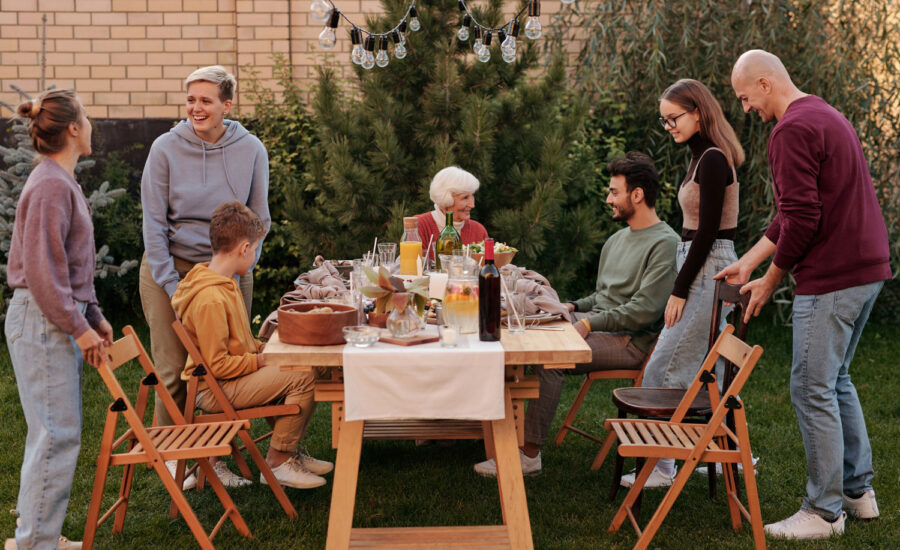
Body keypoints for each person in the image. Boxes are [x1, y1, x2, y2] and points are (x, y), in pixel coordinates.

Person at [721, 49, 891, 540]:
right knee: (835, 380)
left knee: (810, 387)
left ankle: (823, 511)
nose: (746, 108)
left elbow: (804, 218)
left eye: (745, 96)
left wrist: (771, 279)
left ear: (766, 82)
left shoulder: (790, 129)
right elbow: (795, 210)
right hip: (867, 269)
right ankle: (858, 494)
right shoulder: (824, 113)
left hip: (833, 277)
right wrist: (749, 261)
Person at [474, 152, 679, 476]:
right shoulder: (616, 240)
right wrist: (570, 307)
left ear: (637, 195)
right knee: (517, 333)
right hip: (600, 324)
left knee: (549, 358)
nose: (608, 198)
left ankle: (528, 455)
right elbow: (604, 296)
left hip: (631, 341)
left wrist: (586, 323)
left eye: (614, 191)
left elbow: (643, 310)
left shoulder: (666, 244)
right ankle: (486, 431)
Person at [140, 65, 270, 486]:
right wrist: (178, 287)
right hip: (170, 270)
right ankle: (176, 462)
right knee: (173, 368)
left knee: (226, 367)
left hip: (230, 271)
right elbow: (154, 225)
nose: (195, 107)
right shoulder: (164, 148)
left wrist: (239, 266)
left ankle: (217, 459)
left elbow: (260, 218)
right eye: (191, 99)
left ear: (226, 105)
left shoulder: (251, 149)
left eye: (205, 100)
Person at [621, 79, 745, 488]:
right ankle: (707, 453)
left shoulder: (711, 159)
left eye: (673, 118)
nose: (669, 126)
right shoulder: (700, 156)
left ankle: (661, 465)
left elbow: (708, 231)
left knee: (664, 364)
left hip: (707, 265)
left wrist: (679, 289)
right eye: (665, 120)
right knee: (686, 363)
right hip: (699, 261)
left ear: (697, 112)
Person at [5, 89, 113, 550]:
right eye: (86, 118)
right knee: (55, 435)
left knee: (52, 434)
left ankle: (37, 537)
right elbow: (45, 274)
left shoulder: (59, 180)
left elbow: (69, 266)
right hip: (42, 317)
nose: (90, 125)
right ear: (72, 128)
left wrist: (93, 314)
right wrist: (81, 328)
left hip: (51, 315)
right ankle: (34, 544)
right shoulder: (50, 183)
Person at [171, 201, 333, 489]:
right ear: (244, 248)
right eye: (256, 248)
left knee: (313, 364)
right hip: (211, 390)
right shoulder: (210, 298)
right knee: (303, 376)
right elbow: (217, 365)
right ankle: (278, 460)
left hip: (230, 378)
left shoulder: (225, 282)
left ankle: (290, 452)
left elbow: (238, 343)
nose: (255, 255)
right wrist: (262, 361)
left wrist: (261, 348)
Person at [415, 166, 489, 250]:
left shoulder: (478, 231)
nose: (472, 205)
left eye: (472, 196)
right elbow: (408, 261)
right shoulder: (418, 226)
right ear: (446, 198)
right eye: (465, 197)